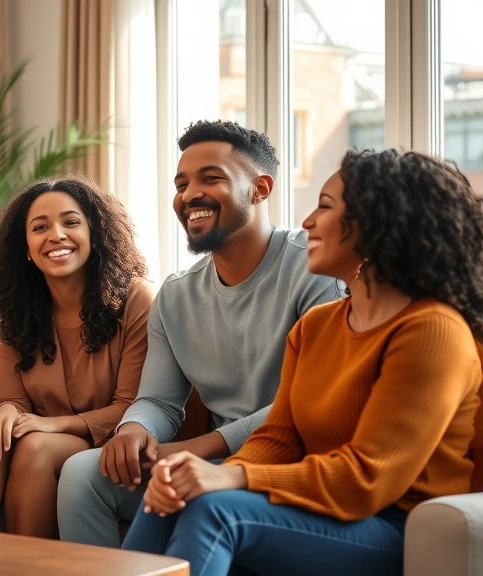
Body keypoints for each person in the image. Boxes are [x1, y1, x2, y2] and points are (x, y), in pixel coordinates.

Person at [122, 149, 483, 576]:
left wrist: (229, 479)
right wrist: (203, 475)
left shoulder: (432, 330)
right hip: (319, 511)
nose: (307, 221)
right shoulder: (317, 325)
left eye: (325, 207)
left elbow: (366, 479)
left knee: (215, 511)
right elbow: (277, 440)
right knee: (168, 496)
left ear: (380, 226)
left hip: (396, 526)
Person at [58, 120, 341, 547]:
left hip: (289, 464)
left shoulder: (314, 269)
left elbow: (309, 403)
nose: (190, 195)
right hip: (209, 460)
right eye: (181, 183)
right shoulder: (174, 296)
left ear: (260, 189)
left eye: (211, 178)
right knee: (84, 473)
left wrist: (202, 448)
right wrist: (134, 429)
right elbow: (158, 400)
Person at [0, 176, 153, 538]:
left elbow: (131, 406)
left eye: (70, 222)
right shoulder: (17, 313)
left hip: (116, 440)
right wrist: (6, 415)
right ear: (26, 248)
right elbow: (13, 399)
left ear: (94, 233)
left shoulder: (136, 300)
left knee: (34, 447)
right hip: (41, 436)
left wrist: (51, 425)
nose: (56, 235)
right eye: (40, 227)